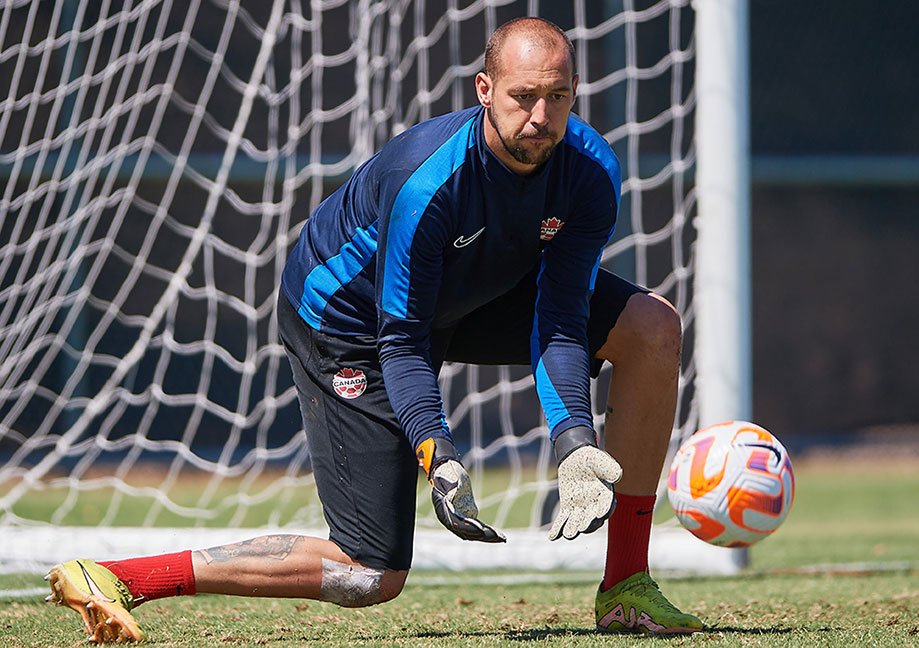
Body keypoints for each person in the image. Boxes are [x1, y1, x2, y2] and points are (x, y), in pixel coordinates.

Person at [45, 17, 702, 642]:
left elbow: (559, 318)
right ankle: (117, 577)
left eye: (557, 97)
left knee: (650, 328)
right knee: (368, 573)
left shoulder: (590, 173)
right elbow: (402, 340)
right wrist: (437, 453)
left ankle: (625, 588)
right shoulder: (428, 183)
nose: (539, 117)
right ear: (484, 92)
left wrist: (575, 442)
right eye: (522, 96)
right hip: (349, 321)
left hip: (469, 290)